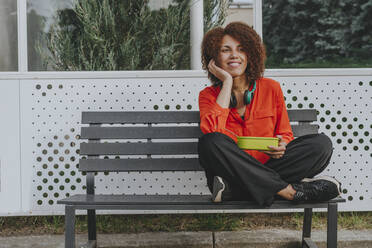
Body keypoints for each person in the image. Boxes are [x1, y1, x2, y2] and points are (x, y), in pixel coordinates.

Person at [197, 22, 341, 207]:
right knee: (210, 142)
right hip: (230, 171)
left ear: (250, 55)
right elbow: (212, 130)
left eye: (241, 49)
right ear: (214, 58)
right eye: (226, 50)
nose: (234, 55)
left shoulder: (271, 88)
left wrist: (282, 145)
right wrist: (226, 82)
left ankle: (236, 192)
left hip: (266, 168)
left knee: (321, 144)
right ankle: (290, 192)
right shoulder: (208, 96)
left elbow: (285, 133)